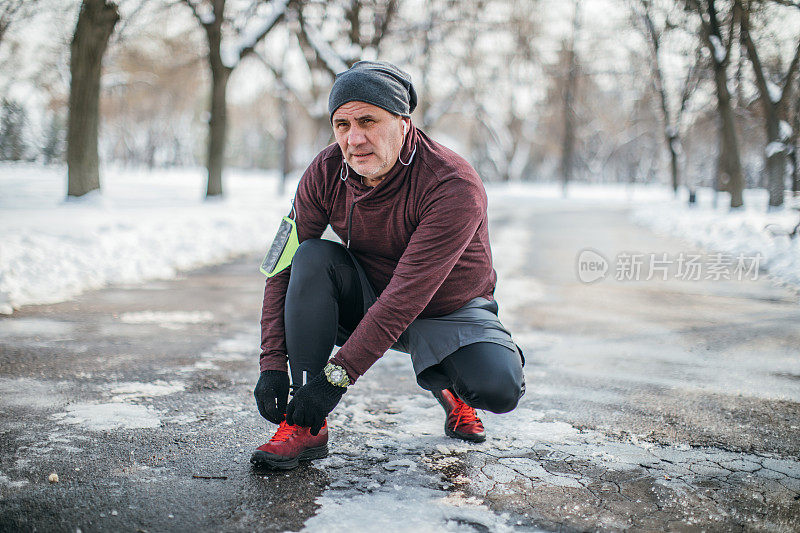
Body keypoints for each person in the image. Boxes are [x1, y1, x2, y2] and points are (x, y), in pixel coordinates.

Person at [251, 61, 525, 470]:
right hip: (367, 295)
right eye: (341, 125)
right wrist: (272, 364)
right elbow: (281, 264)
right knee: (310, 256)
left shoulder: (452, 184)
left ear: (402, 122)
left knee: (498, 388)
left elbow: (406, 297)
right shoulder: (324, 171)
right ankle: (307, 424)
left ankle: (451, 386)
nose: (354, 138)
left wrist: (337, 379)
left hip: (448, 309)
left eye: (367, 120)